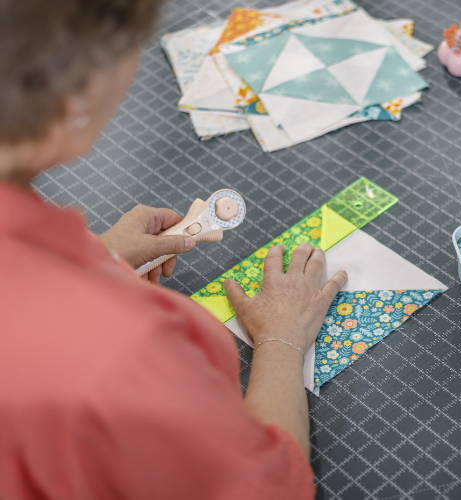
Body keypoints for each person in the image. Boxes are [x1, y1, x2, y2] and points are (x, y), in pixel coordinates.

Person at [0, 1, 347, 498]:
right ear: (75, 96)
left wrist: (100, 259)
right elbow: (269, 490)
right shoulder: (123, 359)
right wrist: (281, 342)